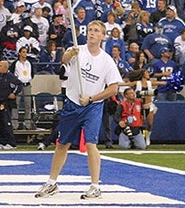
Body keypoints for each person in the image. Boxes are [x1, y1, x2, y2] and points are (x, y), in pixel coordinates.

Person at [36, 20, 122, 201]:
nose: (91, 33)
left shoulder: (106, 60)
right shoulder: (78, 50)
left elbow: (114, 88)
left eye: (96, 31)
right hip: (73, 103)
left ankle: (95, 185)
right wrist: (69, 54)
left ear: (102, 36)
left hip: (92, 106)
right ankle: (52, 182)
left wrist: (91, 98)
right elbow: (64, 61)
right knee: (62, 144)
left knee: (91, 143)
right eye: (90, 30)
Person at [0, 59, 20, 149]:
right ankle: (2, 141)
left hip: (6, 102)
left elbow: (19, 85)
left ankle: (11, 143)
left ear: (5, 67)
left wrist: (14, 94)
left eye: (0, 66)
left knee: (6, 122)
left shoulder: (10, 77)